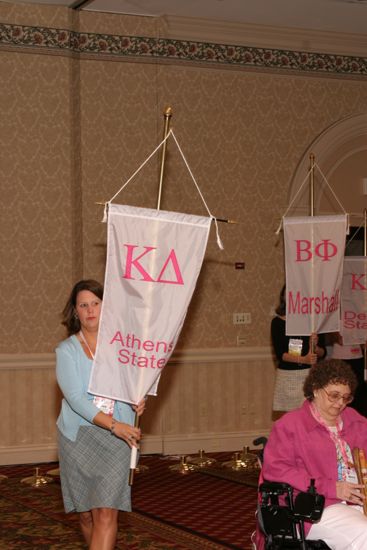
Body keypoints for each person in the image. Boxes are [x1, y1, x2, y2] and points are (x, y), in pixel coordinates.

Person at [56, 279, 146, 550]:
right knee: (86, 515)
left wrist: (138, 402)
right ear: (75, 311)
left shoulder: (124, 347)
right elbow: (75, 399)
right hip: (79, 438)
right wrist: (113, 424)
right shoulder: (66, 350)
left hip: (119, 440)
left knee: (106, 511)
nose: (90, 310)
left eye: (95, 303)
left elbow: (136, 386)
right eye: (83, 305)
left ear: (105, 307)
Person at [263, 359, 367, 549]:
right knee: (364, 533)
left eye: (346, 397)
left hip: (357, 500)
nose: (340, 403)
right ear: (316, 389)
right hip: (313, 507)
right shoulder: (291, 425)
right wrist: (332, 488)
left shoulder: (355, 420)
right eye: (334, 395)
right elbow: (276, 470)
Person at [271, 285, 326, 417]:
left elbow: (323, 353)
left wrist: (315, 347)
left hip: (309, 375)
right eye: (289, 294)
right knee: (291, 419)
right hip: (288, 376)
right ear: (284, 297)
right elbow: (280, 354)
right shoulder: (277, 322)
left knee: (310, 415)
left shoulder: (313, 321)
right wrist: (304, 359)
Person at [328, 332, 366, 417]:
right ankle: (338, 418)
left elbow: (363, 343)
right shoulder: (334, 319)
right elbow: (333, 338)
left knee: (358, 392)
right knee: (338, 390)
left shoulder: (359, 318)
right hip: (339, 359)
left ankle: (358, 420)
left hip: (357, 357)